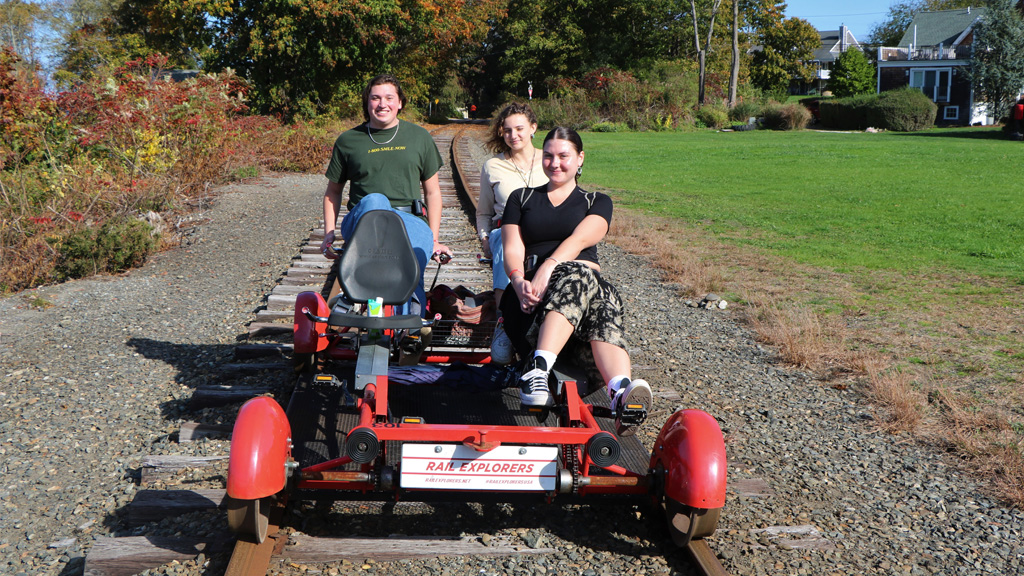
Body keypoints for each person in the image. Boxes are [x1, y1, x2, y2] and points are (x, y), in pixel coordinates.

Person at [500, 126, 651, 436]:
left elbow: (583, 237)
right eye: (549, 156)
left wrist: (550, 264)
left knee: (598, 287)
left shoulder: (597, 201)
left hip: (580, 313)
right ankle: (544, 370)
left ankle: (618, 390)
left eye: (564, 156)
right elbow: (512, 248)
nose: (555, 163)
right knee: (592, 281)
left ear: (580, 159)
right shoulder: (522, 198)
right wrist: (518, 282)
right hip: (533, 305)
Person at [319, 74, 452, 363]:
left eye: (389, 97)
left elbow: (433, 193)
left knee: (413, 258)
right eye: (375, 98)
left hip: (408, 220)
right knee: (377, 201)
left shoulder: (419, 137)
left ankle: (410, 329)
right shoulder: (348, 140)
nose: (382, 104)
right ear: (367, 104)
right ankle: (353, 299)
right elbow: (332, 192)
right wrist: (330, 233)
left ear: (400, 103)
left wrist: (434, 237)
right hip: (365, 219)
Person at [478, 102, 547, 365]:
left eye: (519, 128)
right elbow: (483, 211)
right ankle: (504, 324)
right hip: (504, 231)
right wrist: (485, 238)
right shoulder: (493, 166)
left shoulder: (550, 160)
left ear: (533, 128)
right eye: (507, 130)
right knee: (504, 243)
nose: (513, 135)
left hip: (544, 232)